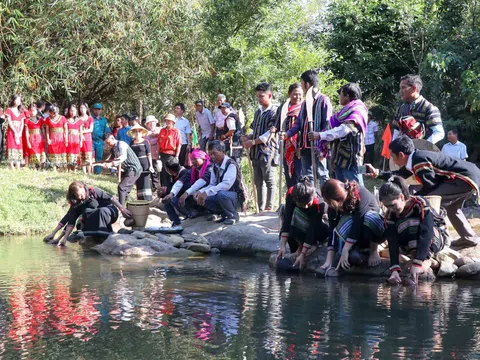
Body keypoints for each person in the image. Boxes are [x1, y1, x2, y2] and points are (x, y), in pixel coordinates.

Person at [367, 135, 480, 249]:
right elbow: (400, 174)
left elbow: (430, 185)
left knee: (428, 202)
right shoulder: (415, 159)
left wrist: (413, 198)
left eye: (393, 157)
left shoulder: (419, 160)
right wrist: (378, 173)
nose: (393, 161)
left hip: (463, 179)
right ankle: (469, 238)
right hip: (469, 176)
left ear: (401, 154)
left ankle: (433, 241)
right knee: (452, 208)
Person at [379, 176, 448, 284]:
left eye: (392, 205)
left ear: (401, 197)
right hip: (409, 243)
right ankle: (417, 256)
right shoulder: (389, 215)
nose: (391, 209)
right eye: (387, 206)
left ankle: (426, 259)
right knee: (403, 225)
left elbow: (427, 232)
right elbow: (392, 241)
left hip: (434, 238)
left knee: (411, 223)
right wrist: (394, 269)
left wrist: (417, 262)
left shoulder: (420, 204)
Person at [309, 82, 368, 185]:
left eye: (341, 94)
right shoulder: (345, 111)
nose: (339, 97)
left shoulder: (358, 110)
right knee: (341, 192)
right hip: (340, 159)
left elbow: (344, 130)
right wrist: (334, 158)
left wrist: (320, 135)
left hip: (352, 160)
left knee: (356, 190)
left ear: (347, 96)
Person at [320, 179, 384, 271]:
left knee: (369, 217)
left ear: (338, 199)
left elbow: (358, 224)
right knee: (353, 258)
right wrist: (328, 261)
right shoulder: (333, 207)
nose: (329, 205)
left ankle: (373, 250)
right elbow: (332, 229)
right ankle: (358, 249)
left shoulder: (361, 194)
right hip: (354, 236)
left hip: (372, 228)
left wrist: (345, 250)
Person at [43, 181, 133, 247]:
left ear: (83, 187)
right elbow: (70, 220)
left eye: (82, 194)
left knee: (101, 211)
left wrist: (122, 209)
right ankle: (94, 236)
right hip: (95, 217)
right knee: (85, 214)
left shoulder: (94, 192)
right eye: (79, 196)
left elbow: (112, 198)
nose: (81, 197)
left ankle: (107, 233)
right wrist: (62, 239)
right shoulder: (78, 202)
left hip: (109, 212)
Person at [283, 70, 332, 186]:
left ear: (307, 85)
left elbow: (328, 124)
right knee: (307, 177)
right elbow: (299, 123)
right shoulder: (305, 103)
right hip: (305, 146)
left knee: (322, 174)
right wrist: (288, 134)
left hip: (318, 146)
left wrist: (323, 146)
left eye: (302, 84)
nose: (303, 89)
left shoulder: (324, 100)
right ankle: (311, 201)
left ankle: (326, 202)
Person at [277, 177, 329, 269]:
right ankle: (297, 249)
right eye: (301, 204)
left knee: (302, 218)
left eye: (308, 204)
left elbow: (313, 228)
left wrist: (303, 253)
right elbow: (288, 218)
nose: (305, 207)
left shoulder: (319, 203)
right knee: (293, 216)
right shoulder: (291, 194)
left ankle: (312, 245)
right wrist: (282, 246)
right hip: (300, 225)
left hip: (318, 229)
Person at [243, 82, 278, 212]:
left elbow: (269, 134)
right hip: (255, 152)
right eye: (257, 96)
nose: (259, 99)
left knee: (269, 180)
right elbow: (254, 129)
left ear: (269, 95)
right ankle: (260, 207)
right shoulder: (258, 111)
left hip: (268, 151)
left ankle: (269, 207)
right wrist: (248, 137)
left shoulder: (274, 111)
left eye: (261, 96)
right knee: (258, 181)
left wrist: (251, 142)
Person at [194, 140, 245, 225]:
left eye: (214, 153)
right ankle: (223, 214)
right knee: (201, 197)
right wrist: (200, 192)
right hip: (223, 196)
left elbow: (226, 185)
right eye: (210, 154)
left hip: (235, 198)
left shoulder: (231, 165)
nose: (212, 156)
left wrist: (206, 192)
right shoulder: (215, 166)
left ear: (223, 152)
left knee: (222, 194)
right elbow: (212, 184)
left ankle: (233, 216)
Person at [392, 74, 444, 144]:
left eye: (403, 87)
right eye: (400, 88)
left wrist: (423, 146)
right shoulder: (401, 109)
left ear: (414, 88)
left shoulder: (429, 108)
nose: (400, 91)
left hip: (421, 152)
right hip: (404, 153)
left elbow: (439, 133)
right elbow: (396, 131)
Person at [159, 157, 206, 226]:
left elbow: (185, 189)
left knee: (171, 199)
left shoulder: (184, 173)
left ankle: (191, 212)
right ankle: (176, 221)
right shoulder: (174, 175)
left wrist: (168, 191)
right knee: (166, 201)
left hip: (192, 199)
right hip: (185, 198)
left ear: (169, 170)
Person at [276, 82, 304, 188]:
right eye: (295, 94)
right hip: (286, 148)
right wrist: (274, 128)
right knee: (289, 177)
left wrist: (299, 146)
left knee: (299, 177)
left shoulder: (305, 108)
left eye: (300, 94)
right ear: (289, 94)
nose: (298, 97)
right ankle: (290, 201)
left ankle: (301, 201)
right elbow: (276, 122)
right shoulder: (283, 108)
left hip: (300, 148)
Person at [102, 133, 142, 206]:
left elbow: (123, 157)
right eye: (106, 143)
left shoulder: (121, 144)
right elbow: (113, 159)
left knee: (122, 187)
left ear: (112, 138)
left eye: (108, 143)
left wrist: (111, 164)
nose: (108, 145)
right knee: (125, 192)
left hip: (133, 169)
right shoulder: (113, 148)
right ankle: (126, 208)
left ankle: (121, 208)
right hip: (127, 170)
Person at [128, 124, 154, 201]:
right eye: (135, 131)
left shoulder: (146, 142)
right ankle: (140, 198)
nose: (137, 133)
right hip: (136, 164)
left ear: (142, 132)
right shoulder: (131, 143)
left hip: (145, 163)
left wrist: (151, 165)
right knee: (138, 180)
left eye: (139, 131)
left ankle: (147, 199)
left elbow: (149, 154)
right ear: (133, 133)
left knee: (145, 180)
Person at [158, 114, 182, 187]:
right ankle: (164, 189)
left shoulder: (176, 131)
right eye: (166, 120)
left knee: (172, 173)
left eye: (169, 121)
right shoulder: (162, 130)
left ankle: (172, 189)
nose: (167, 122)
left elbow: (179, 144)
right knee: (163, 173)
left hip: (172, 155)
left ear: (173, 122)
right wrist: (157, 155)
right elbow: (159, 143)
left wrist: (177, 156)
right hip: (163, 154)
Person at [5, 94, 25, 170]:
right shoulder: (9, 110)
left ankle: (18, 164)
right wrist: (15, 131)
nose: (18, 101)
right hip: (12, 130)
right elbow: (9, 122)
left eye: (20, 100)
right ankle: (11, 165)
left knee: (18, 146)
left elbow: (22, 123)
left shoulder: (21, 111)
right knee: (12, 146)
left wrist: (20, 132)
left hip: (19, 130)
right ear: (13, 100)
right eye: (17, 100)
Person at [45, 104, 68, 170]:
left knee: (62, 151)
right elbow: (47, 130)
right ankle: (54, 168)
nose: (53, 114)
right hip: (52, 138)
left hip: (61, 138)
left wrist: (66, 138)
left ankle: (63, 168)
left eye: (54, 113)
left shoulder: (63, 118)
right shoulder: (48, 119)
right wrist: (48, 139)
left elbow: (65, 129)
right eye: (52, 113)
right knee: (53, 152)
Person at [91, 103, 111, 174]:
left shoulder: (104, 120)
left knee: (99, 157)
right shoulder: (90, 119)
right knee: (91, 156)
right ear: (93, 110)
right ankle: (90, 171)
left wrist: (106, 142)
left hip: (100, 141)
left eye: (99, 109)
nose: (97, 111)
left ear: (101, 110)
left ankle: (97, 172)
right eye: (95, 109)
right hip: (91, 140)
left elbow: (107, 131)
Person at [24, 104, 46, 168]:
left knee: (41, 151)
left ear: (37, 111)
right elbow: (26, 131)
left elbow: (43, 129)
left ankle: (42, 167)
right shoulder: (27, 120)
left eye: (33, 110)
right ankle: (34, 167)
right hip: (32, 138)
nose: (32, 112)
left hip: (40, 137)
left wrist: (44, 138)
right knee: (33, 151)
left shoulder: (40, 119)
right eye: (30, 110)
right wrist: (28, 142)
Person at [145, 115, 161, 191]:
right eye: (150, 123)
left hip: (161, 154)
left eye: (153, 122)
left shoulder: (160, 130)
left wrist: (157, 136)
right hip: (151, 155)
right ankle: (155, 187)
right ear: (147, 124)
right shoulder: (145, 133)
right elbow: (147, 142)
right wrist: (155, 138)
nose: (152, 124)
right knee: (153, 172)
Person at [65, 104, 83, 172]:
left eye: (74, 111)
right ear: (69, 111)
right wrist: (66, 140)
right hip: (69, 139)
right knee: (69, 153)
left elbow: (80, 132)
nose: (72, 112)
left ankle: (75, 169)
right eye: (71, 111)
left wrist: (81, 141)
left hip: (76, 139)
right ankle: (69, 169)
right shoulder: (66, 120)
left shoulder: (79, 121)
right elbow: (66, 131)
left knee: (76, 153)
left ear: (76, 111)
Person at [79, 102, 94, 174]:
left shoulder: (90, 118)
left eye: (83, 108)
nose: (82, 109)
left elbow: (91, 129)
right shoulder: (78, 119)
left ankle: (89, 172)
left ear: (87, 109)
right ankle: (84, 173)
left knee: (88, 156)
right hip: (80, 138)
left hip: (87, 138)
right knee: (82, 156)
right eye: (81, 108)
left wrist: (82, 131)